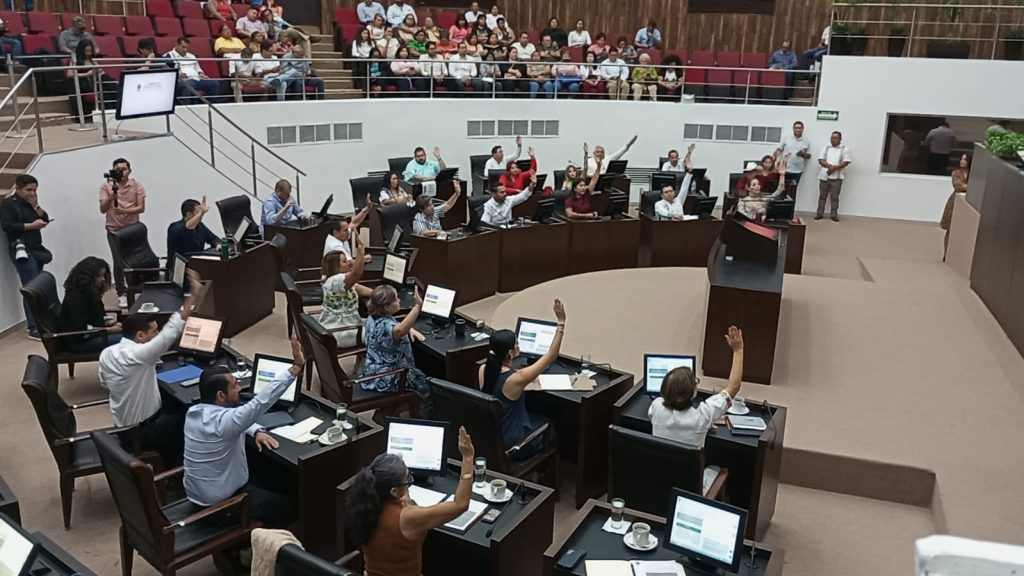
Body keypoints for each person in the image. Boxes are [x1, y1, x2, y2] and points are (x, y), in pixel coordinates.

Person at [183, 337, 304, 528]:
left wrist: (256, 429)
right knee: (288, 506)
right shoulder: (227, 422)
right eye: (234, 385)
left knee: (268, 471)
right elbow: (260, 402)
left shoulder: (193, 414)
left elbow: (233, 419)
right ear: (220, 395)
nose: (239, 388)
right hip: (220, 507)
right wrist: (295, 368)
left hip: (199, 496)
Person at [100, 270, 204, 468]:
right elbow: (170, 331)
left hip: (122, 426)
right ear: (140, 336)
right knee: (192, 418)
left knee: (174, 401)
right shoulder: (140, 355)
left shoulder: (107, 353)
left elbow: (105, 382)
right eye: (154, 332)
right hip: (143, 431)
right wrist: (194, 296)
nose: (157, 335)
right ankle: (178, 471)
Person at [347, 427, 476, 576]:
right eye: (407, 479)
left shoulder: (363, 504)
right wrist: (467, 458)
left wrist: (404, 498)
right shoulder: (407, 517)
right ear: (394, 491)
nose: (409, 483)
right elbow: (460, 504)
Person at [479, 299, 564, 458]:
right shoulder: (517, 378)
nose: (519, 345)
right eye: (517, 343)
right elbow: (551, 355)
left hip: (491, 437)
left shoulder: (483, 369)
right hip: (514, 444)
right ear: (510, 353)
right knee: (550, 423)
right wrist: (561, 322)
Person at [649, 326, 743, 448]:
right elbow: (734, 386)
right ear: (693, 393)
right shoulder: (703, 416)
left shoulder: (656, 406)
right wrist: (738, 350)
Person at [363, 284, 430, 416]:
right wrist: (417, 306)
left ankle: (390, 412)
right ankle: (422, 419)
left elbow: (396, 327)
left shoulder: (372, 318)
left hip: (373, 371)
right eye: (396, 299)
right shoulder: (385, 326)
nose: (399, 301)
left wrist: (410, 328)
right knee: (426, 386)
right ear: (386, 307)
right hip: (389, 376)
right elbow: (398, 331)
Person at [1, 174, 50, 339]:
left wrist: (36, 207)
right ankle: (34, 326)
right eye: (28, 190)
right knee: (30, 288)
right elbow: (8, 226)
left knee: (39, 287)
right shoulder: (8, 204)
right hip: (21, 250)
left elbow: (44, 218)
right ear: (18, 188)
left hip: (36, 249)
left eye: (34, 190)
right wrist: (32, 226)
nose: (32, 193)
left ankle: (42, 322)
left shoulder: (31, 203)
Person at [99, 158, 145, 307]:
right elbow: (103, 209)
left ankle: (137, 288)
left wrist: (124, 210)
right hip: (114, 230)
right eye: (118, 169)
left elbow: (141, 208)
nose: (121, 172)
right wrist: (112, 196)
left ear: (129, 171)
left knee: (136, 260)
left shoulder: (136, 185)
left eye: (124, 169)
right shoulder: (106, 186)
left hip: (133, 229)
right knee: (118, 263)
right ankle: (121, 292)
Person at [59, 257, 121, 353]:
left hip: (93, 335)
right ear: (88, 277)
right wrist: (110, 330)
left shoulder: (90, 291)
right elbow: (81, 330)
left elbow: (97, 314)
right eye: (100, 276)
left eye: (104, 276)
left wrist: (110, 322)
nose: (103, 279)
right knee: (130, 340)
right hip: (81, 342)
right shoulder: (76, 298)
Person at [320, 243, 372, 348]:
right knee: (382, 333)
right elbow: (356, 274)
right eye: (344, 262)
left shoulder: (337, 280)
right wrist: (360, 252)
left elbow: (362, 290)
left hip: (349, 324)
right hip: (340, 332)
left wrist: (384, 293)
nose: (348, 263)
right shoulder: (335, 281)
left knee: (377, 323)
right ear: (335, 267)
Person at [166, 197, 220, 267]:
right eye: (198, 213)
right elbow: (187, 227)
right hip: (179, 268)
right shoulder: (175, 228)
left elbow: (213, 238)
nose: (201, 216)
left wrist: (218, 244)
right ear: (188, 214)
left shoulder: (200, 226)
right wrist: (201, 214)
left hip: (198, 264)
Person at [165, 36, 221, 102]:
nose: (185, 50)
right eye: (183, 47)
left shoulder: (191, 56)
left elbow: (198, 69)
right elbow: (168, 73)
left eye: (187, 48)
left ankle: (210, 105)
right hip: (183, 81)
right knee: (188, 85)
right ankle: (187, 106)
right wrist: (178, 75)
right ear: (177, 45)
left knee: (214, 83)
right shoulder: (169, 56)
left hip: (197, 79)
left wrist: (201, 74)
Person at [817, 131, 851, 222]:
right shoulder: (826, 148)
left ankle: (833, 215)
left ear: (840, 139)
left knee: (834, 197)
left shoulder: (844, 149)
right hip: (825, 176)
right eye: (832, 137)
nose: (833, 139)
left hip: (837, 178)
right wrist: (829, 166)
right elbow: (820, 160)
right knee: (822, 196)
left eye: (835, 138)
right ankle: (819, 214)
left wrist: (834, 168)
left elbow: (846, 162)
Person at [941, 153, 970, 261]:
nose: (962, 161)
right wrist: (969, 186)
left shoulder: (974, 174)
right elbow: (958, 186)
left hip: (969, 202)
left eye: (965, 159)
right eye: (961, 159)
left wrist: (966, 186)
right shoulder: (956, 173)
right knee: (950, 228)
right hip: (955, 202)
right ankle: (946, 254)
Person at [774, 121, 811, 186]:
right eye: (796, 128)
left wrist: (802, 154)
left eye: (800, 128)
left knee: (793, 189)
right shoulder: (786, 138)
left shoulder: (806, 141)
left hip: (797, 171)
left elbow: (808, 156)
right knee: (782, 188)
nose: (798, 130)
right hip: (785, 169)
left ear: (803, 129)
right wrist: (773, 160)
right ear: (793, 128)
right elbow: (779, 150)